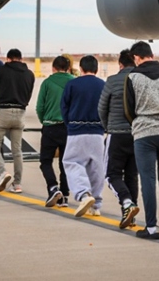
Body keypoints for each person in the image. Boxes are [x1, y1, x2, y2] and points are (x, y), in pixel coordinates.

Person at [124, 41, 159, 240]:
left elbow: (128, 109)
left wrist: (139, 122)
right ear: (151, 54)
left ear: (136, 57)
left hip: (144, 133)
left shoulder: (133, 76)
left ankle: (151, 227)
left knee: (147, 179)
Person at [98, 49, 139, 229]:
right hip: (137, 134)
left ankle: (127, 202)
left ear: (120, 64)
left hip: (117, 133)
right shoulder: (140, 80)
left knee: (111, 174)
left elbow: (101, 108)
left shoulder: (112, 80)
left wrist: (108, 127)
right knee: (131, 175)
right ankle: (132, 212)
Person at [61, 55, 106, 217]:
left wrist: (70, 125)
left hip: (77, 130)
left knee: (72, 162)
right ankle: (96, 204)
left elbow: (64, 108)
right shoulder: (103, 85)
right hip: (97, 133)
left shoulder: (72, 84)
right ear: (97, 69)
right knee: (96, 168)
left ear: (80, 68)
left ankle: (83, 194)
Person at [0, 49, 35, 193]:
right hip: (20, 112)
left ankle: (2, 172)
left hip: (4, 110)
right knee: (17, 150)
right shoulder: (30, 74)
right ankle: (17, 184)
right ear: (21, 59)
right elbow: (28, 94)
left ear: (8, 59)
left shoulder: (1, 70)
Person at [36, 55, 74, 207]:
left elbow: (40, 107)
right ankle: (64, 195)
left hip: (50, 126)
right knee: (65, 162)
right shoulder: (73, 82)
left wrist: (44, 120)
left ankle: (53, 187)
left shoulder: (47, 83)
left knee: (45, 161)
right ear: (68, 68)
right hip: (68, 128)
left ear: (53, 68)